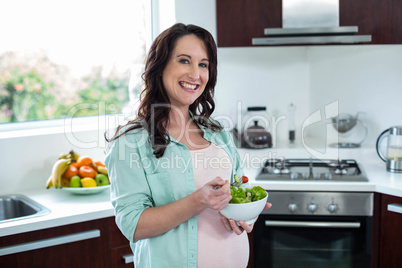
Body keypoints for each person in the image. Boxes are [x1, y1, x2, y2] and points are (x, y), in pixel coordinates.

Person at [105, 23, 271, 268]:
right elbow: (133, 225)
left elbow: (237, 191)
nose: (195, 74)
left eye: (203, 64)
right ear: (159, 66)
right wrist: (198, 201)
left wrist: (245, 214)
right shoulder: (130, 142)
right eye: (184, 61)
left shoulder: (218, 133)